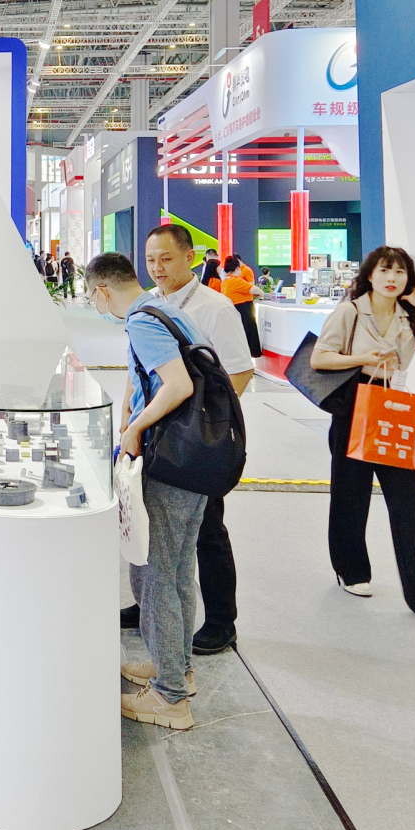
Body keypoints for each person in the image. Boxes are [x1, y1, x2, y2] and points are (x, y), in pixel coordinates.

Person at [118, 223, 253, 654]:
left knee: (206, 529)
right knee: (154, 528)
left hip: (195, 439)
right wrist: (129, 414)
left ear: (190, 258)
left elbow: (239, 371)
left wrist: (206, 423)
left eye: (166, 259)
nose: (157, 268)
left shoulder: (215, 307)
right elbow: (139, 366)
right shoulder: (150, 303)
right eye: (150, 259)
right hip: (155, 432)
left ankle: (221, 620)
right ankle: (149, 605)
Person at [310, 246, 415, 619]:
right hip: (353, 404)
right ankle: (351, 570)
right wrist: (363, 359)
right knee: (350, 494)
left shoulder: (409, 317)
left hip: (392, 407)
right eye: (384, 270)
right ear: (370, 274)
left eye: (400, 272)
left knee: (407, 500)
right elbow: (319, 357)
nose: (392, 278)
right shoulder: (350, 311)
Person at [86, 252, 203, 731]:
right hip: (195, 463)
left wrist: (135, 428)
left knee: (152, 574)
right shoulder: (166, 310)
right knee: (177, 571)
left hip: (169, 463)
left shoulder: (142, 321)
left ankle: (171, 697)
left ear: (101, 292)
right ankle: (176, 667)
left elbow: (177, 385)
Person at [222, 254, 262, 357]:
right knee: (248, 336)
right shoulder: (236, 280)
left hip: (236, 311)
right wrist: (261, 294)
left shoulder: (225, 281)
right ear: (237, 268)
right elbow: (255, 289)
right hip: (244, 311)